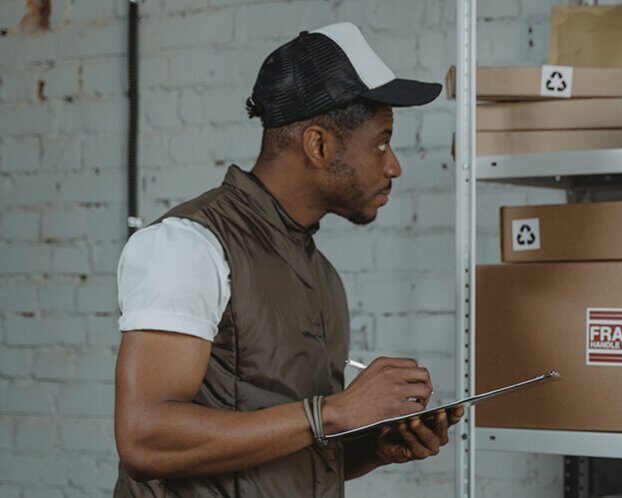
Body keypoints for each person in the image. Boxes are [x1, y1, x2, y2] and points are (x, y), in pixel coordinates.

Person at [113, 22, 461, 497]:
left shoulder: (322, 276)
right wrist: (332, 412)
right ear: (319, 145)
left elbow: (284, 453)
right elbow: (144, 440)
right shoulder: (190, 244)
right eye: (382, 141)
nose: (394, 165)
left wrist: (374, 446)